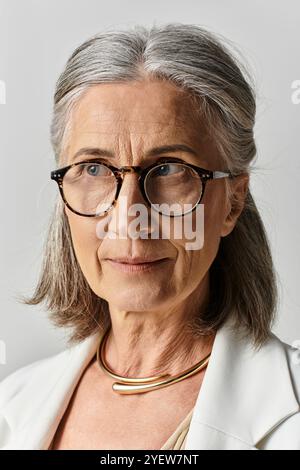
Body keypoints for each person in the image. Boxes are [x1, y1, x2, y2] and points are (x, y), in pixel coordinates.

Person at [0, 23, 299, 450]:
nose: (129, 217)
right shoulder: (12, 406)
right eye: (94, 169)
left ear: (232, 202)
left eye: (171, 169)